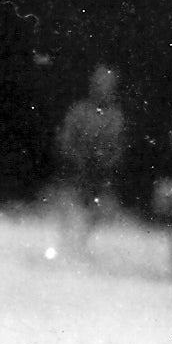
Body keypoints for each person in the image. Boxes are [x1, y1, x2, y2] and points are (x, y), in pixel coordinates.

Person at [52, 63, 128, 261]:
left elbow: (117, 146)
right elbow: (66, 139)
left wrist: (106, 162)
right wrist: (75, 157)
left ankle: (87, 246)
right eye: (99, 83)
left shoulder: (115, 116)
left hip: (100, 175)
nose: (103, 88)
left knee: (97, 212)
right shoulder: (78, 111)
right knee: (70, 207)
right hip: (76, 170)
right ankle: (67, 246)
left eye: (107, 84)